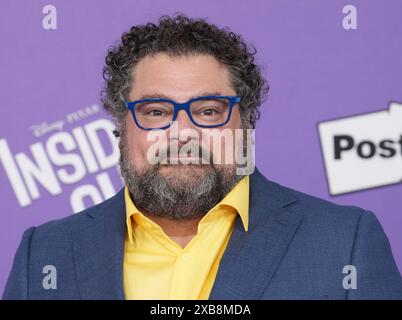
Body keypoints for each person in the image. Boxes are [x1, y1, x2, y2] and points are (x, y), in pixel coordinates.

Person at [3, 14, 402, 300]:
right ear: (121, 128)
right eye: (156, 112)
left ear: (245, 124)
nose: (182, 133)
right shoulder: (44, 252)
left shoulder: (345, 242)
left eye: (208, 111)